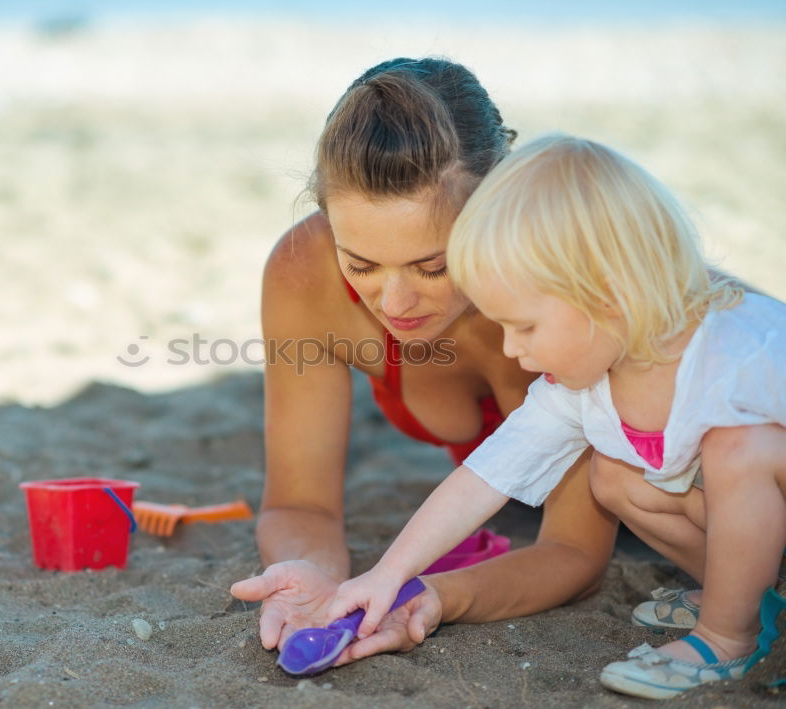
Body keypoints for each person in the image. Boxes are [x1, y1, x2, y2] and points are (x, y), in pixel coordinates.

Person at [326, 133, 786, 699]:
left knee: (740, 450)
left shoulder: (743, 354)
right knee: (614, 479)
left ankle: (727, 636)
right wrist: (387, 575)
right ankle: (749, 592)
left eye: (526, 327)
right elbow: (484, 477)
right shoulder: (585, 385)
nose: (513, 351)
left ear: (609, 295)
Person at [229, 58, 618, 664]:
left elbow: (576, 554)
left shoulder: (546, 300)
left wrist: (430, 595)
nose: (396, 302)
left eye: (433, 266)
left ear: (494, 208)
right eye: (360, 265)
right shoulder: (305, 271)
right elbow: (299, 505)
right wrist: (318, 581)